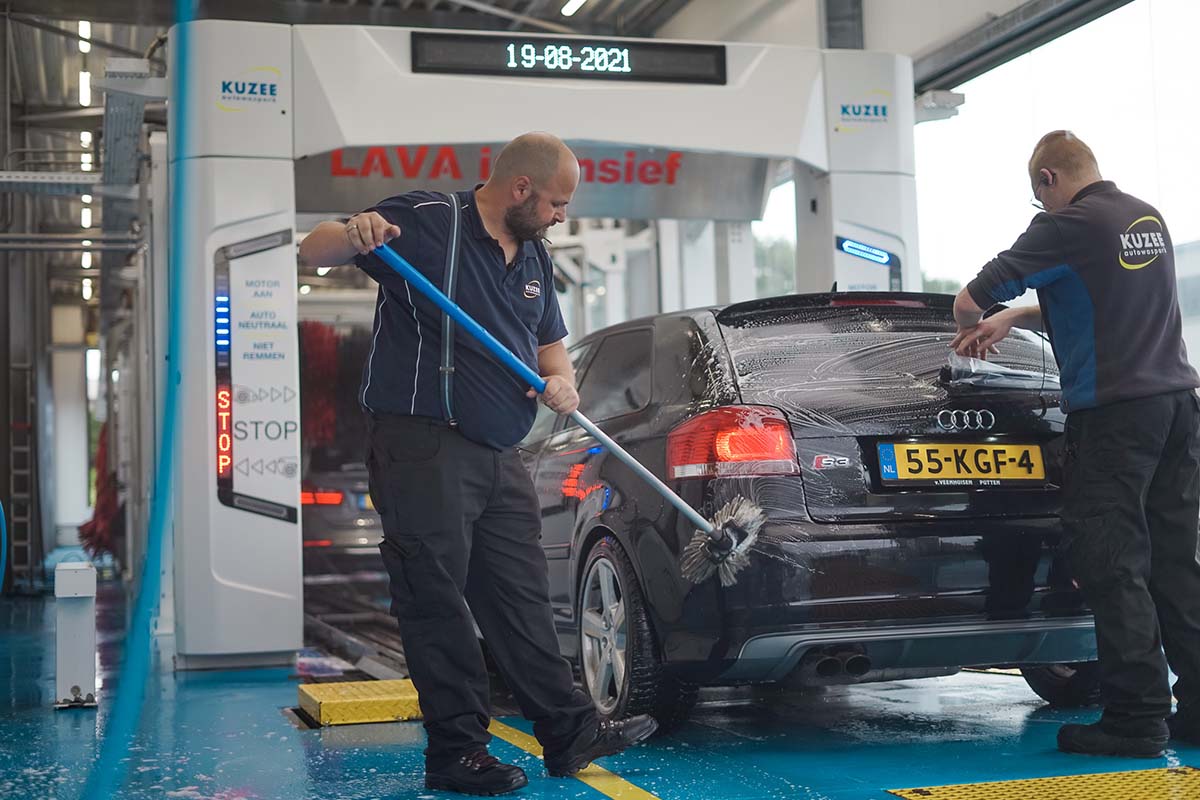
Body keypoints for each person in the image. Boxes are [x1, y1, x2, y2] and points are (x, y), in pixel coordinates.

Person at [298, 132, 656, 795]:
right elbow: (312, 248)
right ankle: (457, 754)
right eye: (556, 202)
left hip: (499, 452)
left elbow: (552, 350)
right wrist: (355, 231)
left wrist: (564, 385)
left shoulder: (533, 261)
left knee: (518, 596)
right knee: (437, 604)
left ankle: (568, 730)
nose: (561, 216)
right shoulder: (431, 223)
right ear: (521, 189)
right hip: (423, 447)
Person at [951, 130, 1200, 758]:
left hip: (1113, 420)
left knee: (1112, 564)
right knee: (1175, 562)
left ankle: (1136, 718)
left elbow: (968, 300)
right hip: (1175, 409)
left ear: (1048, 181)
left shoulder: (1063, 225)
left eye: (1040, 200)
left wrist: (977, 327)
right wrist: (1021, 316)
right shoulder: (1144, 217)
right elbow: (1102, 296)